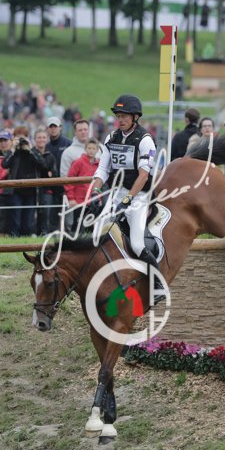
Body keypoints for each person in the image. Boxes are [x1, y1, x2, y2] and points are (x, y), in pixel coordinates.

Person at [89, 94, 165, 299]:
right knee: (96, 234)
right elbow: (102, 169)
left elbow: (144, 175)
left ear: (135, 117)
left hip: (139, 195)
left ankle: (157, 285)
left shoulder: (145, 140)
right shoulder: (111, 138)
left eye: (124, 116)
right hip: (117, 192)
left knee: (138, 244)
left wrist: (128, 199)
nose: (120, 119)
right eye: (118, 116)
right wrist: (95, 192)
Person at [1, 126, 48, 236]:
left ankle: (25, 240)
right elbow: (4, 164)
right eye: (18, 138)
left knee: (28, 223)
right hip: (15, 191)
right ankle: (15, 239)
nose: (21, 141)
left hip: (31, 191)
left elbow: (43, 165)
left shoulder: (32, 151)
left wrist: (30, 149)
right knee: (16, 221)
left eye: (23, 137)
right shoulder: (14, 152)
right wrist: (13, 148)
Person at [65, 139, 100, 231]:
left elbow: (100, 183)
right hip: (79, 200)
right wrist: (71, 198)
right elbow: (70, 180)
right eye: (89, 148)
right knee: (77, 225)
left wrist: (99, 198)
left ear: (97, 150)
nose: (91, 150)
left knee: (91, 226)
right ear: (85, 149)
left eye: (93, 148)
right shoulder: (78, 162)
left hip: (92, 200)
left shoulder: (99, 165)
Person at [45, 117, 71, 232]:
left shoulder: (68, 144)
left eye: (55, 126)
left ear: (60, 128)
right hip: (51, 187)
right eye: (51, 127)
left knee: (69, 217)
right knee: (52, 216)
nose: (53, 129)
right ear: (47, 129)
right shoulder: (46, 146)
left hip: (67, 185)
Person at [33, 128, 58, 235]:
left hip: (47, 190)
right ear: (34, 139)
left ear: (47, 139)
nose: (41, 140)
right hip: (32, 191)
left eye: (43, 137)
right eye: (39, 137)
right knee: (32, 216)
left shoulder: (50, 155)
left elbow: (54, 174)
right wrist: (47, 172)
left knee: (46, 215)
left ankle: (44, 235)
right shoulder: (30, 153)